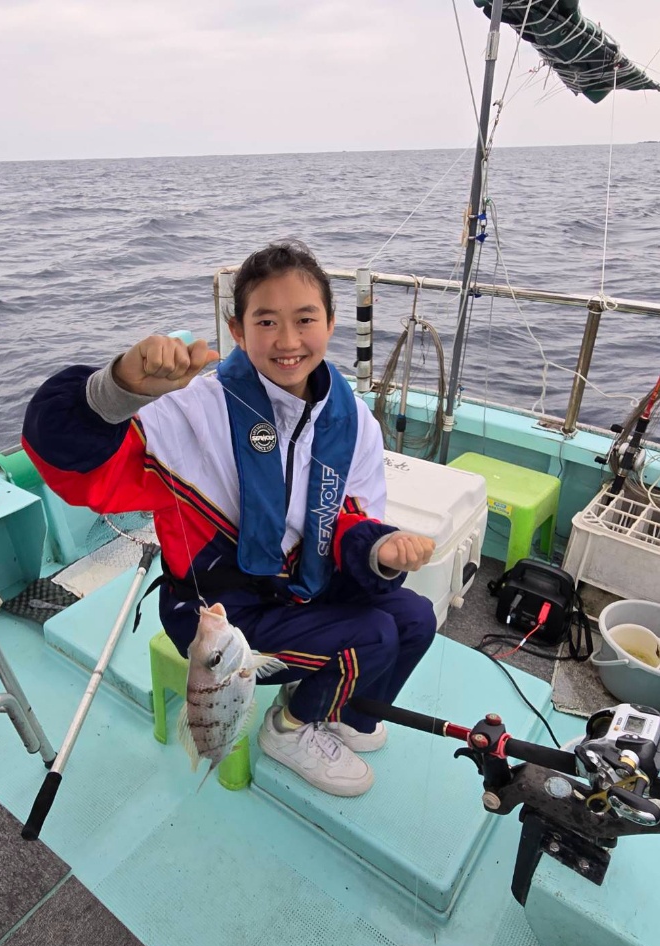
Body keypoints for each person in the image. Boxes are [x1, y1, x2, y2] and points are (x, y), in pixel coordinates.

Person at [23, 242, 436, 797]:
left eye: (305, 319)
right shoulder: (192, 406)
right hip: (216, 610)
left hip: (303, 585)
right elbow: (73, 466)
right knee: (373, 636)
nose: (287, 341)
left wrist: (380, 548)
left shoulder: (354, 420)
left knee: (415, 619)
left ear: (331, 323)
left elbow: (350, 516)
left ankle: (340, 710)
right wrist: (117, 389)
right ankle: (288, 730)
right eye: (266, 321)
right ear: (237, 330)